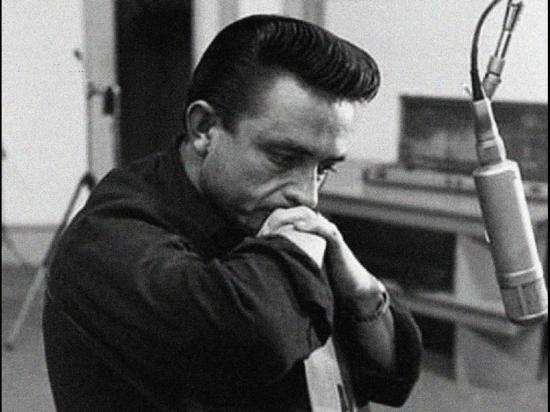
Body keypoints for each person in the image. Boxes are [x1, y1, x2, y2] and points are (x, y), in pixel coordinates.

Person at [43, 14, 422, 411]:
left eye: (324, 168)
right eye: (284, 157)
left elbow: (391, 375)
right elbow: (248, 337)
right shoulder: (107, 239)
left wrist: (363, 295)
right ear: (204, 128)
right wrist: (298, 258)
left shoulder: (263, 208)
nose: (308, 196)